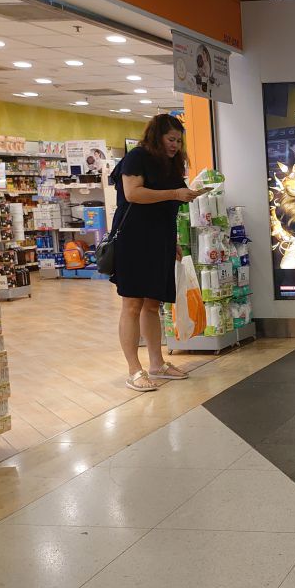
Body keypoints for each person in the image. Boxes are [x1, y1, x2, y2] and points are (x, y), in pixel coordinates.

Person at [109, 114, 199, 392]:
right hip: (133, 240)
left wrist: (173, 241)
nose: (175, 145)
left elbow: (165, 209)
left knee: (152, 304)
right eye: (171, 139)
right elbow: (133, 193)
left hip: (160, 241)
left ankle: (157, 363)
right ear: (156, 136)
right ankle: (133, 370)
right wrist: (174, 194)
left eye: (179, 141)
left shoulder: (170, 164)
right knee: (132, 304)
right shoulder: (136, 157)